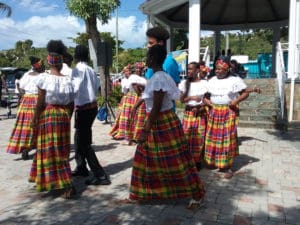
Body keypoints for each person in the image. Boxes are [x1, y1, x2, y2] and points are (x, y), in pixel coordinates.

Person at [125, 45, 205, 209]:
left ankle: (196, 194)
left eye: (148, 56)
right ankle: (139, 194)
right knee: (151, 159)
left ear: (153, 59)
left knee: (175, 161)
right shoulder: (159, 77)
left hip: (160, 123)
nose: (146, 59)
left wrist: (145, 130)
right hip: (164, 121)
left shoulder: (160, 78)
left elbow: (156, 107)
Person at [29, 40, 75, 198]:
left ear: (49, 61)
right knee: (62, 149)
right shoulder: (68, 80)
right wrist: (67, 117)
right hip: (63, 117)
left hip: (49, 115)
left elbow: (40, 102)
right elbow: (71, 104)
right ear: (61, 62)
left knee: (49, 148)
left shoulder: (44, 78)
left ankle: (58, 182)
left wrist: (35, 118)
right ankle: (64, 181)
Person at [203, 57, 250, 179]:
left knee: (226, 138)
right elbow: (206, 96)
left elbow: (245, 92)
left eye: (219, 69)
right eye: (216, 69)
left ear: (226, 69)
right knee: (213, 137)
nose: (217, 71)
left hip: (228, 111)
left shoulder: (235, 80)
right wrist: (208, 102)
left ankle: (225, 166)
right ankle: (212, 161)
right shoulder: (211, 80)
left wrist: (236, 101)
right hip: (214, 111)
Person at [71, 45, 110, 186]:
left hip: (83, 108)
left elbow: (73, 89)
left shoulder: (77, 70)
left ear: (76, 55)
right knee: (78, 137)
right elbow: (97, 86)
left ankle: (100, 175)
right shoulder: (91, 70)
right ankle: (81, 166)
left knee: (84, 142)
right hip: (91, 107)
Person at [6, 56, 45, 160]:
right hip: (37, 100)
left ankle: (25, 147)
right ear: (38, 65)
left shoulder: (26, 75)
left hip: (26, 101)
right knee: (38, 124)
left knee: (24, 125)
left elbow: (21, 87)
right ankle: (34, 146)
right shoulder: (42, 76)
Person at [179, 62, 208, 171]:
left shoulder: (204, 84)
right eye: (188, 69)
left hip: (200, 113)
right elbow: (181, 100)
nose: (189, 71)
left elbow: (208, 100)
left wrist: (200, 106)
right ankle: (188, 160)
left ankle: (197, 161)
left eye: (191, 69)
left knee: (199, 138)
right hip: (188, 112)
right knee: (186, 137)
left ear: (197, 71)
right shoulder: (184, 83)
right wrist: (191, 98)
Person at [144, 26, 180, 111]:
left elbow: (172, 88)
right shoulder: (152, 64)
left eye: (151, 43)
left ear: (160, 43)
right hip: (151, 109)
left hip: (163, 111)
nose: (148, 46)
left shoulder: (169, 62)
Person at [109, 65, 138, 141]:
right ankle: (125, 132)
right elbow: (125, 91)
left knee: (131, 116)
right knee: (124, 116)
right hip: (128, 98)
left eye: (126, 71)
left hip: (132, 98)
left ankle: (131, 133)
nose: (125, 73)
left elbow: (131, 90)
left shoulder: (132, 79)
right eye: (125, 72)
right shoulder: (126, 80)